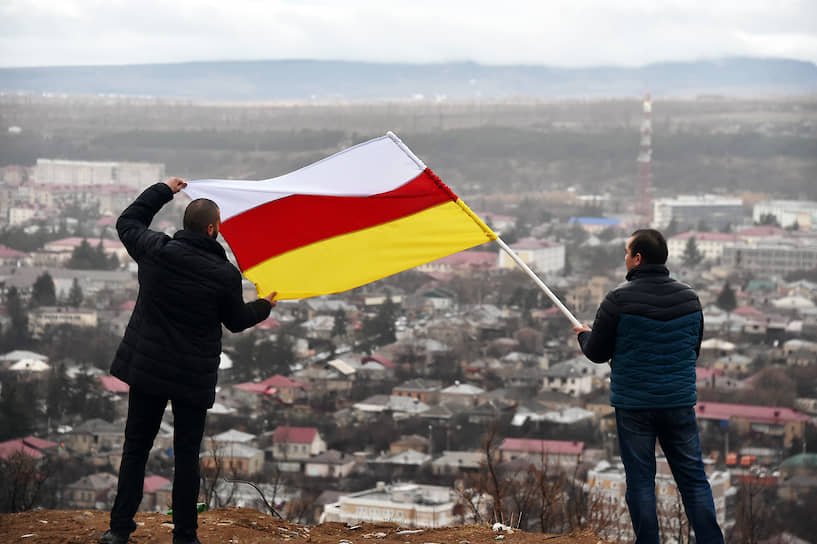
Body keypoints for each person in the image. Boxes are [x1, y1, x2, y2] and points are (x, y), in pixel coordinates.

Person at [100, 178, 277, 544]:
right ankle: (184, 535)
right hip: (191, 377)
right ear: (213, 229)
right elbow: (236, 320)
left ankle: (119, 530)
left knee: (135, 449)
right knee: (186, 457)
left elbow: (128, 222)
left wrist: (164, 189)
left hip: (148, 368)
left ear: (186, 225)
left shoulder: (155, 251)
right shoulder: (223, 274)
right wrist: (265, 305)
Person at [573, 229, 723, 544]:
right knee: (694, 481)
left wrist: (583, 334)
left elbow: (597, 353)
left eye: (627, 253)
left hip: (635, 405)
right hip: (678, 403)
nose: (625, 258)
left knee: (641, 482)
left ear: (638, 258)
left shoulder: (619, 299)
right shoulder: (689, 297)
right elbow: (691, 351)